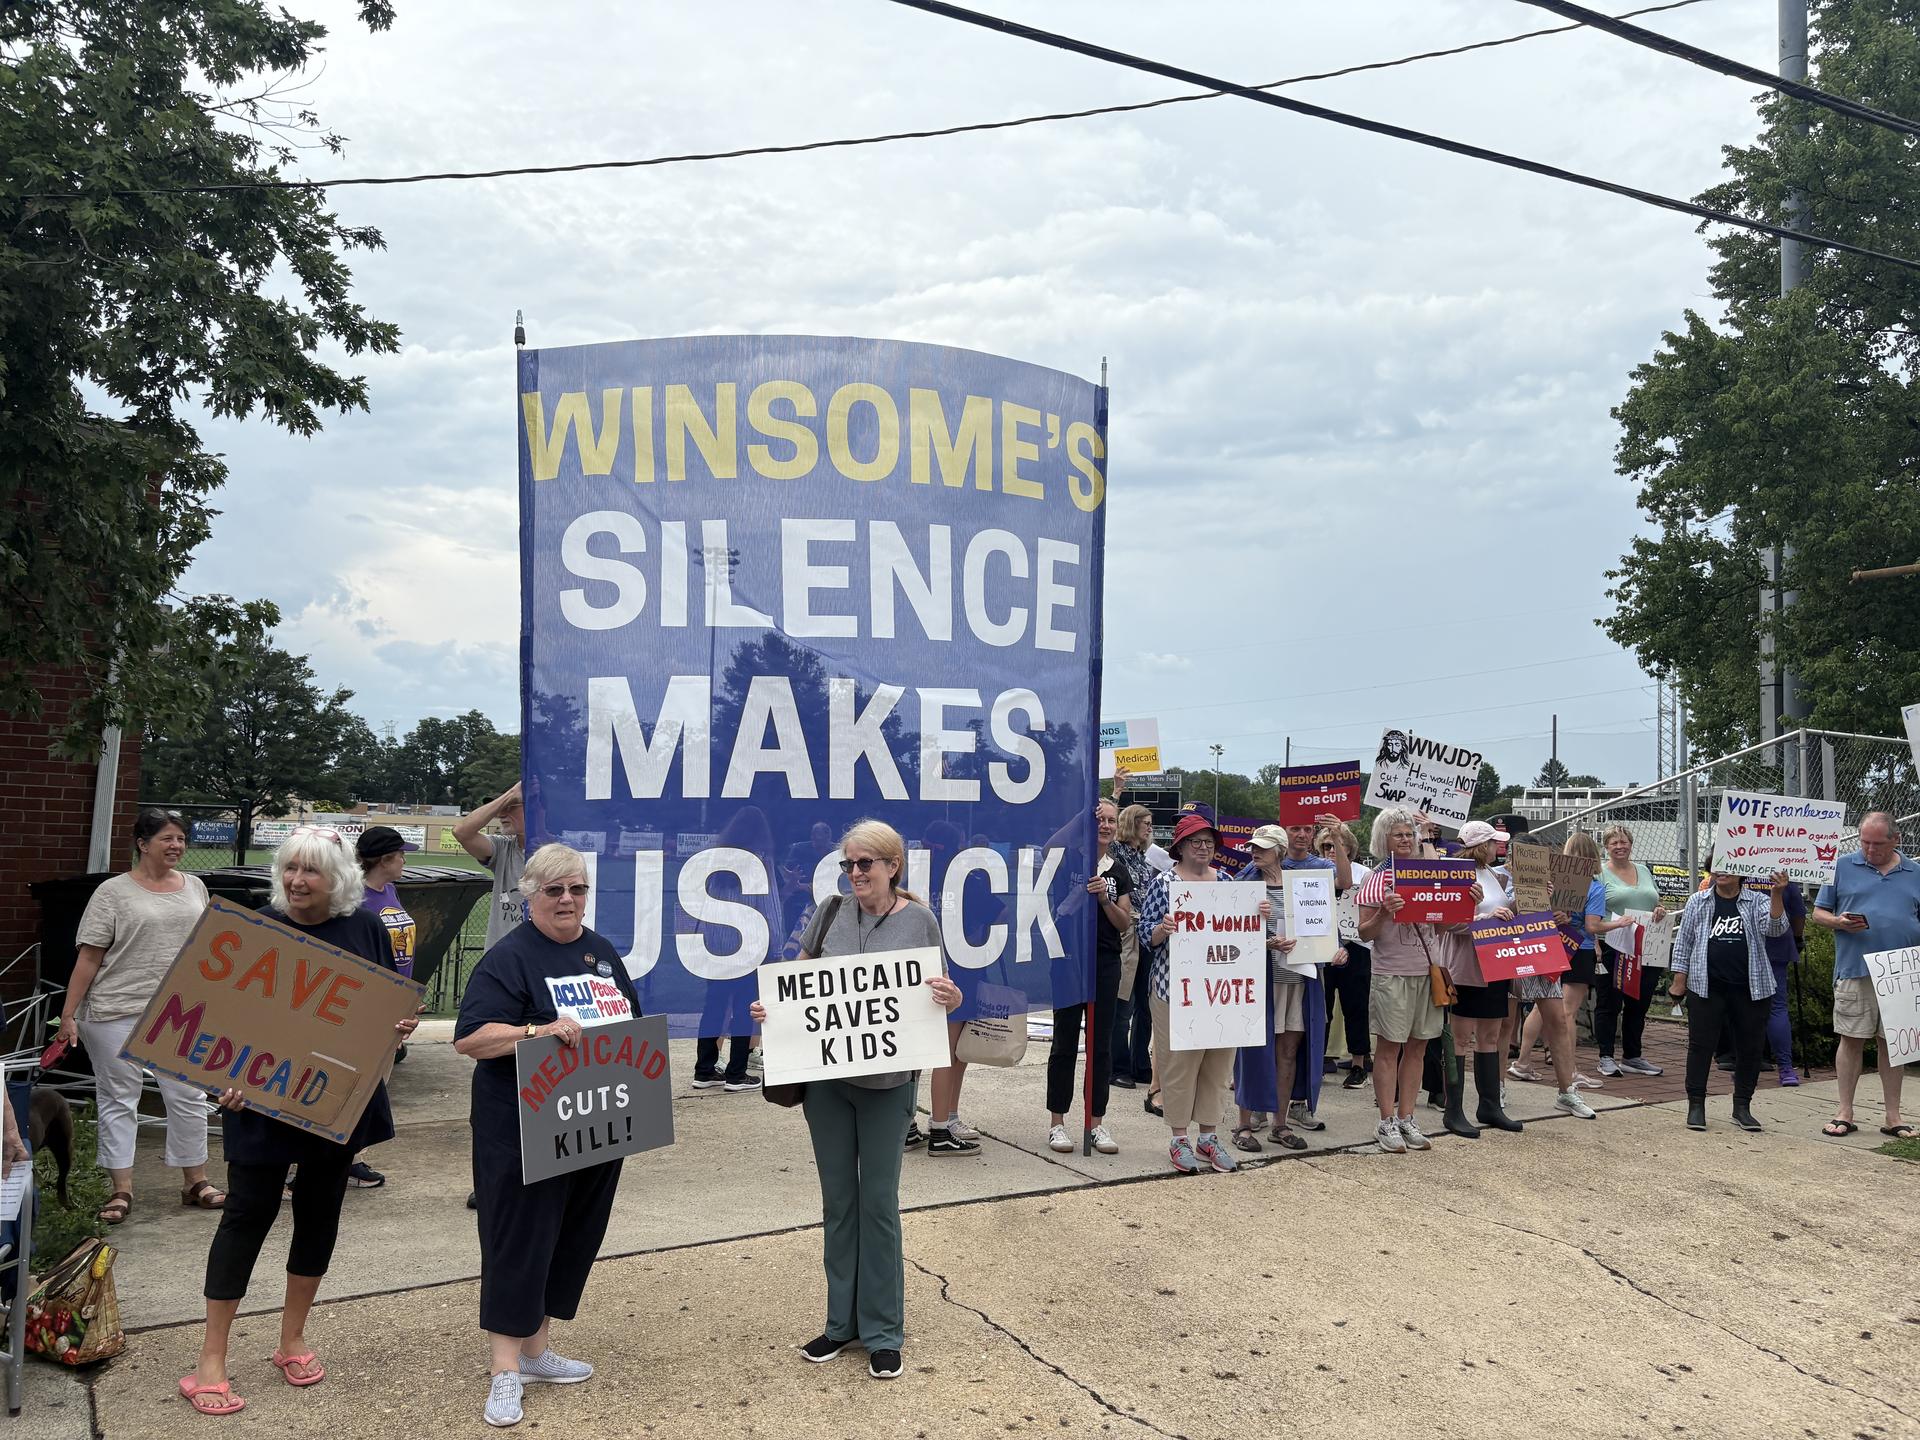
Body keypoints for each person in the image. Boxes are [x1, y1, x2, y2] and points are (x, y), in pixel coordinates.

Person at [180, 825, 417, 1417]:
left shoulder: (364, 928)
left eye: (310, 871)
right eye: (289, 868)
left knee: (318, 1216)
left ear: (337, 879)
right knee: (245, 1218)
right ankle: (211, 1358)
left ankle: (291, 1339)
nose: (296, 880)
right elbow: (216, 1020)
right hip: (257, 1105)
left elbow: (387, 1005)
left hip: (333, 1106)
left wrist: (398, 1026)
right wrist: (222, 1080)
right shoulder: (258, 929)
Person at [749, 820, 961, 1381]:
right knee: (839, 1202)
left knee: (878, 1205)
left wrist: (951, 995)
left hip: (888, 1086)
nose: (856, 873)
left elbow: (940, 988)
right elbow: (799, 978)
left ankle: (884, 1331)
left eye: (866, 863)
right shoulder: (829, 912)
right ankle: (840, 1325)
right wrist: (773, 1011)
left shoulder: (919, 920)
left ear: (893, 866)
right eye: (848, 864)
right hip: (826, 1084)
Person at [453, 843, 638, 1428]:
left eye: (576, 889)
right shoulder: (510, 957)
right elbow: (470, 1038)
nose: (567, 899)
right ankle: (504, 1369)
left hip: (590, 1123)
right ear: (529, 895)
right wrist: (538, 1030)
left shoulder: (600, 952)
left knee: (570, 1234)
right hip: (520, 1127)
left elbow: (630, 1022)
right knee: (519, 1238)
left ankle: (536, 1353)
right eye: (554, 890)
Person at [58, 807, 219, 1222]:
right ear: (142, 844)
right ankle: (121, 1190)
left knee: (188, 1095)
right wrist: (68, 1014)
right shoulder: (112, 893)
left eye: (181, 838)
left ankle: (195, 1181)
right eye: (167, 838)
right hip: (115, 1009)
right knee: (119, 1099)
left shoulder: (195, 887)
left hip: (178, 1010)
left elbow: (207, 948)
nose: (177, 846)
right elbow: (89, 957)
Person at [1135, 813, 1266, 1174]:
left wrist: (1260, 912)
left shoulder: (1226, 881)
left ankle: (1208, 1136)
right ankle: (1179, 1138)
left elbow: (1243, 930)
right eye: (1196, 842)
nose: (1204, 847)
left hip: (1220, 990)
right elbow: (1144, 935)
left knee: (1218, 1064)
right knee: (1179, 1064)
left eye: (1209, 842)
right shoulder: (1164, 883)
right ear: (1180, 847)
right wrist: (1163, 928)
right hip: (1173, 990)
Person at [1230, 821, 1347, 1152]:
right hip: (1261, 980)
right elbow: (1230, 931)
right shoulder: (1244, 883)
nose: (1255, 851)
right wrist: (1266, 941)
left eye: (1263, 847)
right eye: (1253, 846)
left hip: (1299, 980)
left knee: (1288, 1051)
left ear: (1279, 851)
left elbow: (1322, 923)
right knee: (1252, 1050)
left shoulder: (1305, 883)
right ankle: (1244, 1123)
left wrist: (1336, 950)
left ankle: (1279, 1124)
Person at [1353, 808, 1461, 1154]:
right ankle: (1385, 1121)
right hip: (1393, 973)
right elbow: (1364, 933)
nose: (1405, 840)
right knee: (1389, 1047)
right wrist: (1384, 912)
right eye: (1398, 834)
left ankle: (1407, 1117)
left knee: (1418, 1046)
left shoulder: (1428, 876)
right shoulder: (1376, 879)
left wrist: (1462, 906)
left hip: (1427, 972)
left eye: (1409, 834)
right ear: (1383, 839)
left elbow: (1441, 927)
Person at [1812, 812, 1919, 1140]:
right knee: (1851, 1037)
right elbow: (1818, 913)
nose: (1870, 849)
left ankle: (1893, 1116)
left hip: (1901, 972)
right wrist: (1839, 923)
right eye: (1865, 842)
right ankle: (1845, 1111)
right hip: (1855, 969)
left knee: (1893, 1044)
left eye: (1878, 844)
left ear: (1895, 840)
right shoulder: (1842, 867)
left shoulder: (1915, 872)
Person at [1669, 864, 1789, 1133]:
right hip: (1706, 986)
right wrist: (1679, 981)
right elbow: (1685, 941)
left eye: (1727, 867)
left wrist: (1778, 895)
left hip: (1752, 987)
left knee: (1750, 1047)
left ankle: (1742, 1107)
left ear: (1741, 870)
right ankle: (1696, 1105)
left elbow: (1776, 929)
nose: (1721, 872)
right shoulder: (1697, 901)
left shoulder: (1757, 900)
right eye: (1716, 867)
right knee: (1700, 1046)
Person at [1045, 799, 1132, 1156]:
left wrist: (1105, 902)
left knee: (1101, 1045)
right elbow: (1049, 845)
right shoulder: (1069, 858)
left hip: (1105, 962)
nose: (1106, 826)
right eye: (1100, 819)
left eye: (1111, 820)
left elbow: (1124, 922)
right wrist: (1083, 811)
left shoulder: (1119, 869)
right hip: (1068, 959)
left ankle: (1095, 1122)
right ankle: (1057, 1123)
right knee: (1064, 1042)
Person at [1439, 820, 1524, 1137]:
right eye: (1493, 842)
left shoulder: (1494, 875)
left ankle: (1489, 1105)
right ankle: (1454, 1110)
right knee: (1459, 1038)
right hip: (1465, 966)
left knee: (1490, 1036)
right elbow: (1448, 923)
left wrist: (1525, 899)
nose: (1498, 847)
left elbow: (1502, 912)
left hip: (1495, 963)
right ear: (1480, 845)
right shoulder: (1458, 874)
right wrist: (1483, 917)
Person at [350, 825, 421, 1190]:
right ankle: (312, 1162)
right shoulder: (354, 897)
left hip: (397, 1001)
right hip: (368, 1004)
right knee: (356, 1082)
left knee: (377, 1083)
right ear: (384, 859)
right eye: (400, 854)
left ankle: (351, 1158)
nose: (405, 859)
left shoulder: (390, 890)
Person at [1514, 832, 1608, 1093]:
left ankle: (1522, 1062)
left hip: (1554, 944)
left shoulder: (1552, 881)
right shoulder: (1594, 886)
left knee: (1540, 1006)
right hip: (1580, 948)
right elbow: (1592, 926)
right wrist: (1618, 924)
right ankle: (1571, 1071)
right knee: (1568, 1011)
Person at [692, 807, 776, 1095]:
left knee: (713, 1006)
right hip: (749, 945)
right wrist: (774, 944)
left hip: (715, 945)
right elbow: (769, 906)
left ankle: (703, 1069)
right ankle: (736, 1074)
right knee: (745, 1008)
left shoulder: (717, 859)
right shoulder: (760, 861)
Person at [1588, 825, 1668, 1077]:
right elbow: (1591, 910)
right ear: (1606, 847)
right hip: (1614, 944)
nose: (1620, 846)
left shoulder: (1643, 870)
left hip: (1647, 945)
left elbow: (1656, 901)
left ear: (1631, 844)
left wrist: (1661, 910)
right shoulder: (1599, 873)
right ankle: (1606, 1056)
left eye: (1624, 842)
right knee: (1609, 1003)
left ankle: (1633, 1056)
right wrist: (1597, 944)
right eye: (1614, 843)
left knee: (1640, 1002)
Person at [1316, 822, 1373, 1091]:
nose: (1329, 850)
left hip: (1356, 945)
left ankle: (1359, 1063)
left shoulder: (1365, 874)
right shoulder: (1317, 871)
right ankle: (1316, 1062)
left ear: (1349, 847)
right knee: (1321, 1008)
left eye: (1336, 844)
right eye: (1325, 845)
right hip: (1323, 945)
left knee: (1355, 1007)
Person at [1109, 802, 1158, 1099]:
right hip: (1126, 931)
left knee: (1146, 1003)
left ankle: (1141, 1063)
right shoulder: (1118, 851)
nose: (1150, 827)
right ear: (1131, 823)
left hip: (1145, 932)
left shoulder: (1144, 857)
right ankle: (1118, 1066)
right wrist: (1115, 793)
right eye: (1146, 822)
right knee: (1123, 1002)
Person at [455, 782, 529, 950]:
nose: (501, 814)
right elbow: (461, 832)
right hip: (501, 959)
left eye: (510, 806)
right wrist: (510, 795)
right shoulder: (503, 848)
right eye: (500, 807)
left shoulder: (557, 853)